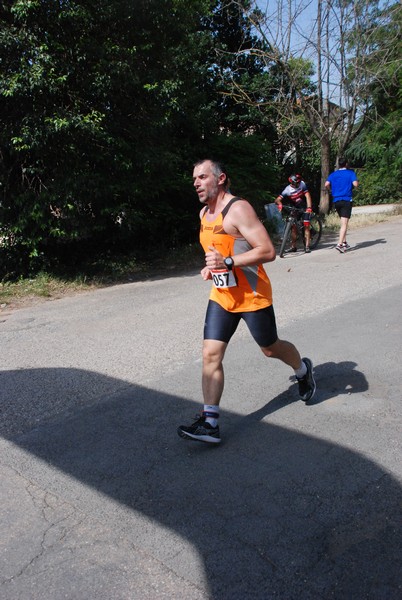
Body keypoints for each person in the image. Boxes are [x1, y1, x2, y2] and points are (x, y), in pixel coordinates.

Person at [177, 159, 316, 444]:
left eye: (202, 177)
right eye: (194, 178)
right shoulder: (204, 213)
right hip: (223, 296)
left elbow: (267, 250)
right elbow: (216, 252)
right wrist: (212, 267)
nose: (196, 183)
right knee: (210, 354)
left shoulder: (238, 209)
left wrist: (228, 262)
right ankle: (210, 422)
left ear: (221, 178)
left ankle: (303, 370)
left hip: (252, 295)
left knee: (270, 348)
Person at [325, 158, 358, 253]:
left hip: (336, 200)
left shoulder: (333, 174)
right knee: (344, 224)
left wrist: (331, 190)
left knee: (343, 221)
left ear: (339, 165)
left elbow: (326, 184)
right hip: (346, 199)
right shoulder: (350, 173)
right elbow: (355, 184)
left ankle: (344, 242)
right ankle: (339, 244)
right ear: (346, 164)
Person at [274, 173, 313, 253]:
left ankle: (307, 246)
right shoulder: (287, 190)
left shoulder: (302, 184)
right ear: (292, 183)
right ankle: (293, 247)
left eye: (299, 182)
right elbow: (277, 199)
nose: (299, 184)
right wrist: (280, 204)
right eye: (297, 183)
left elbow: (307, 195)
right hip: (295, 207)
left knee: (306, 225)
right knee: (293, 228)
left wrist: (309, 208)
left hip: (304, 206)